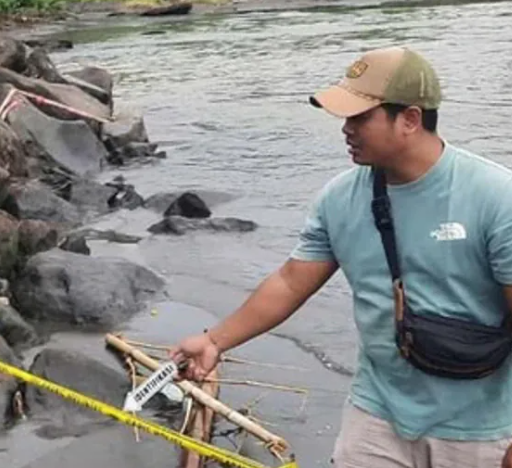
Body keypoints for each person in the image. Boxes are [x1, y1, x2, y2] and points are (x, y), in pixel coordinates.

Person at [170, 46, 512, 468]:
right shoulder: (339, 198)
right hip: (377, 416)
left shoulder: (496, 197)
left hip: (482, 429)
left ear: (409, 119)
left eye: (360, 117)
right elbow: (292, 280)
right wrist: (214, 341)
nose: (346, 129)